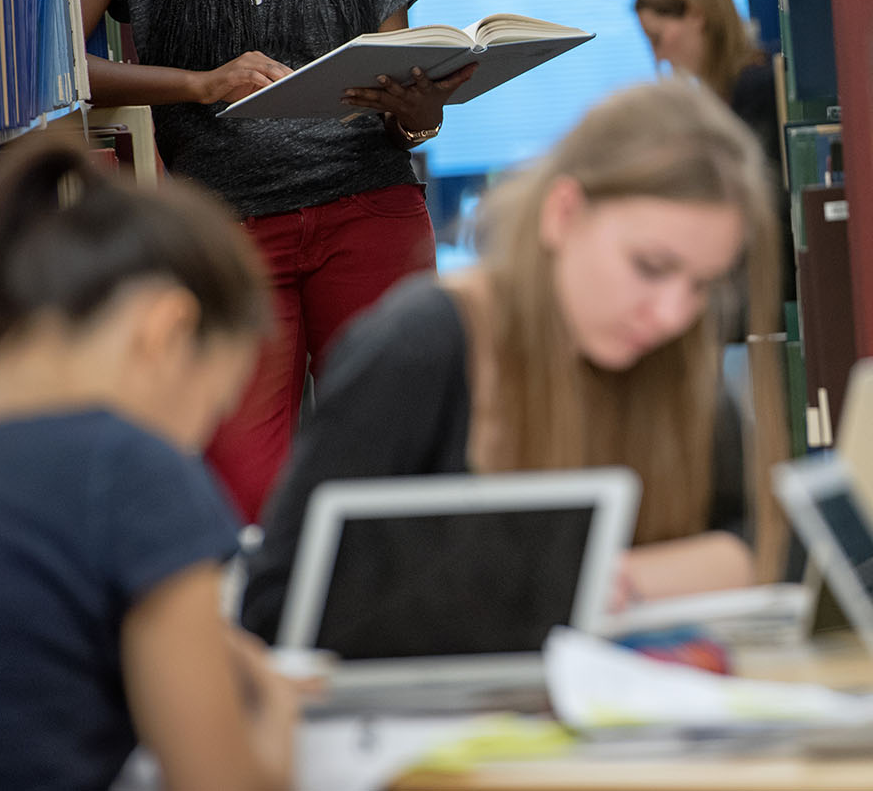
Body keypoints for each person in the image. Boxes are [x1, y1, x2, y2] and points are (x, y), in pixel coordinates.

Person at [75, 0, 474, 522]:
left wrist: (420, 107)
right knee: (245, 488)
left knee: (398, 470)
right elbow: (54, 67)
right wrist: (196, 84)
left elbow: (410, 110)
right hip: (224, 232)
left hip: (368, 211)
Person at [240, 81, 787, 640]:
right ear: (563, 214)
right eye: (650, 266)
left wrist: (614, 578)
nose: (673, 314)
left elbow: (750, 543)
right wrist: (560, 583)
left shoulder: (671, 352)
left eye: (703, 285)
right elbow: (277, 603)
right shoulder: (421, 345)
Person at [0, 138, 297, 791]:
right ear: (166, 330)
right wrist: (279, 715)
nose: (193, 444)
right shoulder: (131, 467)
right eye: (210, 410)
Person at [633, 0, 794, 309]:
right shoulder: (721, 99)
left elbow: (759, 204)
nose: (658, 58)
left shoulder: (756, 89)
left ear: (695, 14)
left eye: (658, 39)